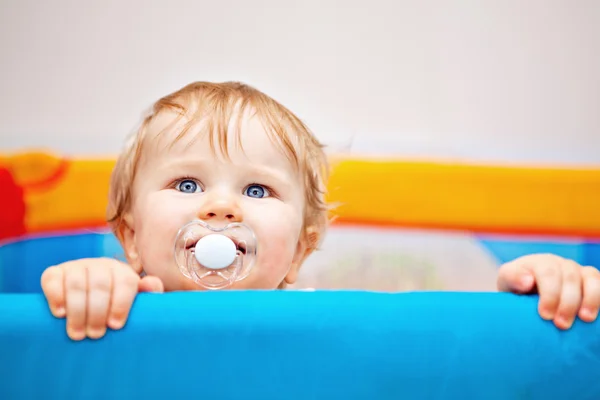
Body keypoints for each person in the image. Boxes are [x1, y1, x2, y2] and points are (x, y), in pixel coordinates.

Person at [40, 81, 600, 341]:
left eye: (257, 190)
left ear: (302, 249)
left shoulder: (333, 321)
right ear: (130, 236)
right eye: (187, 182)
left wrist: (524, 297)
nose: (220, 206)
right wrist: (85, 287)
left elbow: (444, 359)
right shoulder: (114, 307)